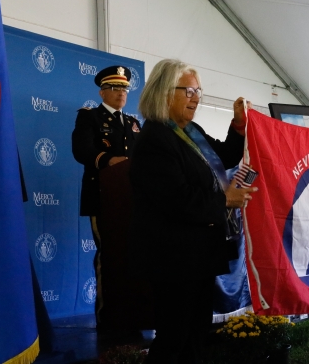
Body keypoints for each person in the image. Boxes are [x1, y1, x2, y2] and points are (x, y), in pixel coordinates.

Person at [128, 58, 257, 364]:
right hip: (173, 259)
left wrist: (238, 126)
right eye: (188, 91)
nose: (196, 97)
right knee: (174, 338)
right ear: (163, 92)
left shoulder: (190, 130)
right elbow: (177, 200)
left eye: (199, 91)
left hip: (198, 256)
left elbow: (223, 156)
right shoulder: (155, 139)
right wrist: (225, 200)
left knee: (195, 336)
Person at [71, 65, 141, 327]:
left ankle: (133, 314)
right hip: (102, 198)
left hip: (132, 201)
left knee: (132, 256)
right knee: (109, 256)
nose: (121, 92)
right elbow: (82, 150)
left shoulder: (134, 123)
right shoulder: (90, 117)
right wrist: (111, 161)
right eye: (115, 88)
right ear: (102, 93)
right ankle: (108, 316)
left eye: (124, 88)